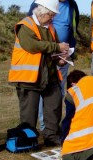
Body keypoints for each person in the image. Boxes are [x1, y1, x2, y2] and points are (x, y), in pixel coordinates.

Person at [8, 0, 70, 147]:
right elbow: (33, 46)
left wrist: (60, 60)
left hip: (50, 76)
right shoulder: (25, 26)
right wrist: (57, 47)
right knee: (29, 113)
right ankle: (28, 140)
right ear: (41, 12)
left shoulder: (51, 27)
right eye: (51, 14)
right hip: (28, 78)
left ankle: (51, 136)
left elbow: (50, 52)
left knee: (54, 105)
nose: (52, 18)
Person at [28, 0, 80, 131]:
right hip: (44, 57)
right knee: (41, 91)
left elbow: (73, 29)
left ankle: (52, 127)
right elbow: (32, 31)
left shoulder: (72, 5)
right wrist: (54, 47)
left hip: (63, 55)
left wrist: (69, 51)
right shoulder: (40, 3)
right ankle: (44, 125)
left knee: (57, 92)